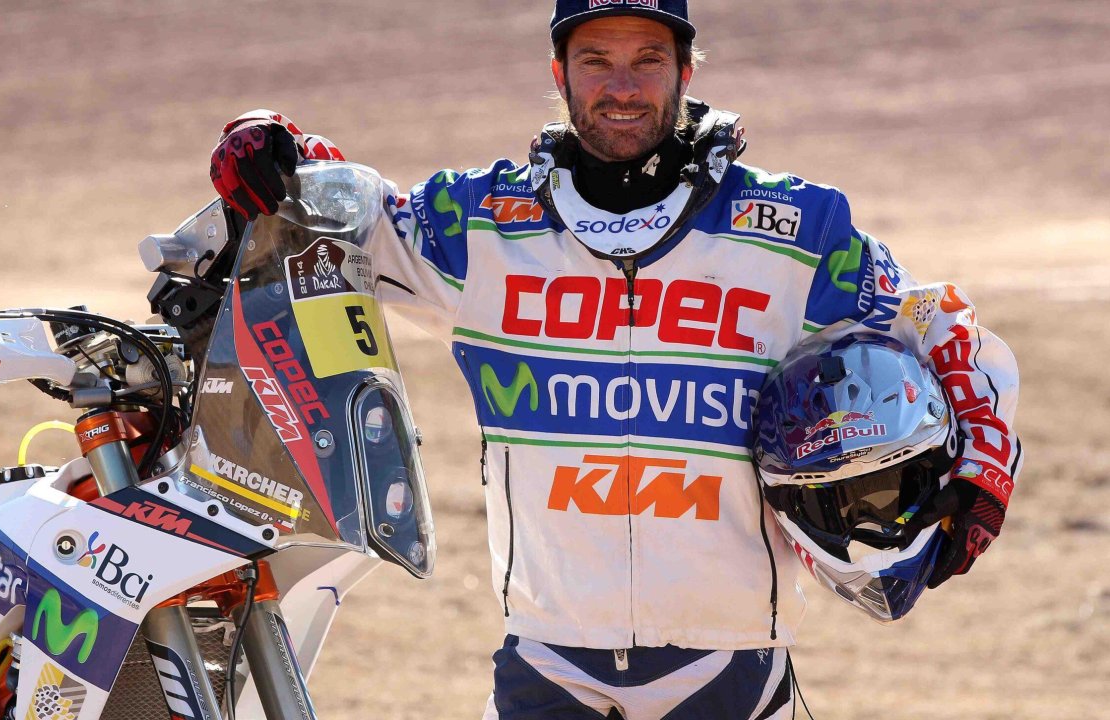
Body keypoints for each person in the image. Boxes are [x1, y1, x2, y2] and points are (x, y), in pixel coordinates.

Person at [207, 1, 1022, 717]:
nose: (622, 87)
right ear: (558, 72)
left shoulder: (799, 227)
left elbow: (938, 324)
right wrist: (275, 150)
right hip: (546, 660)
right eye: (596, 60)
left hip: (730, 663)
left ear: (686, 70)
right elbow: (333, 217)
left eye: (648, 60)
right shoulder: (479, 221)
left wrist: (985, 468)